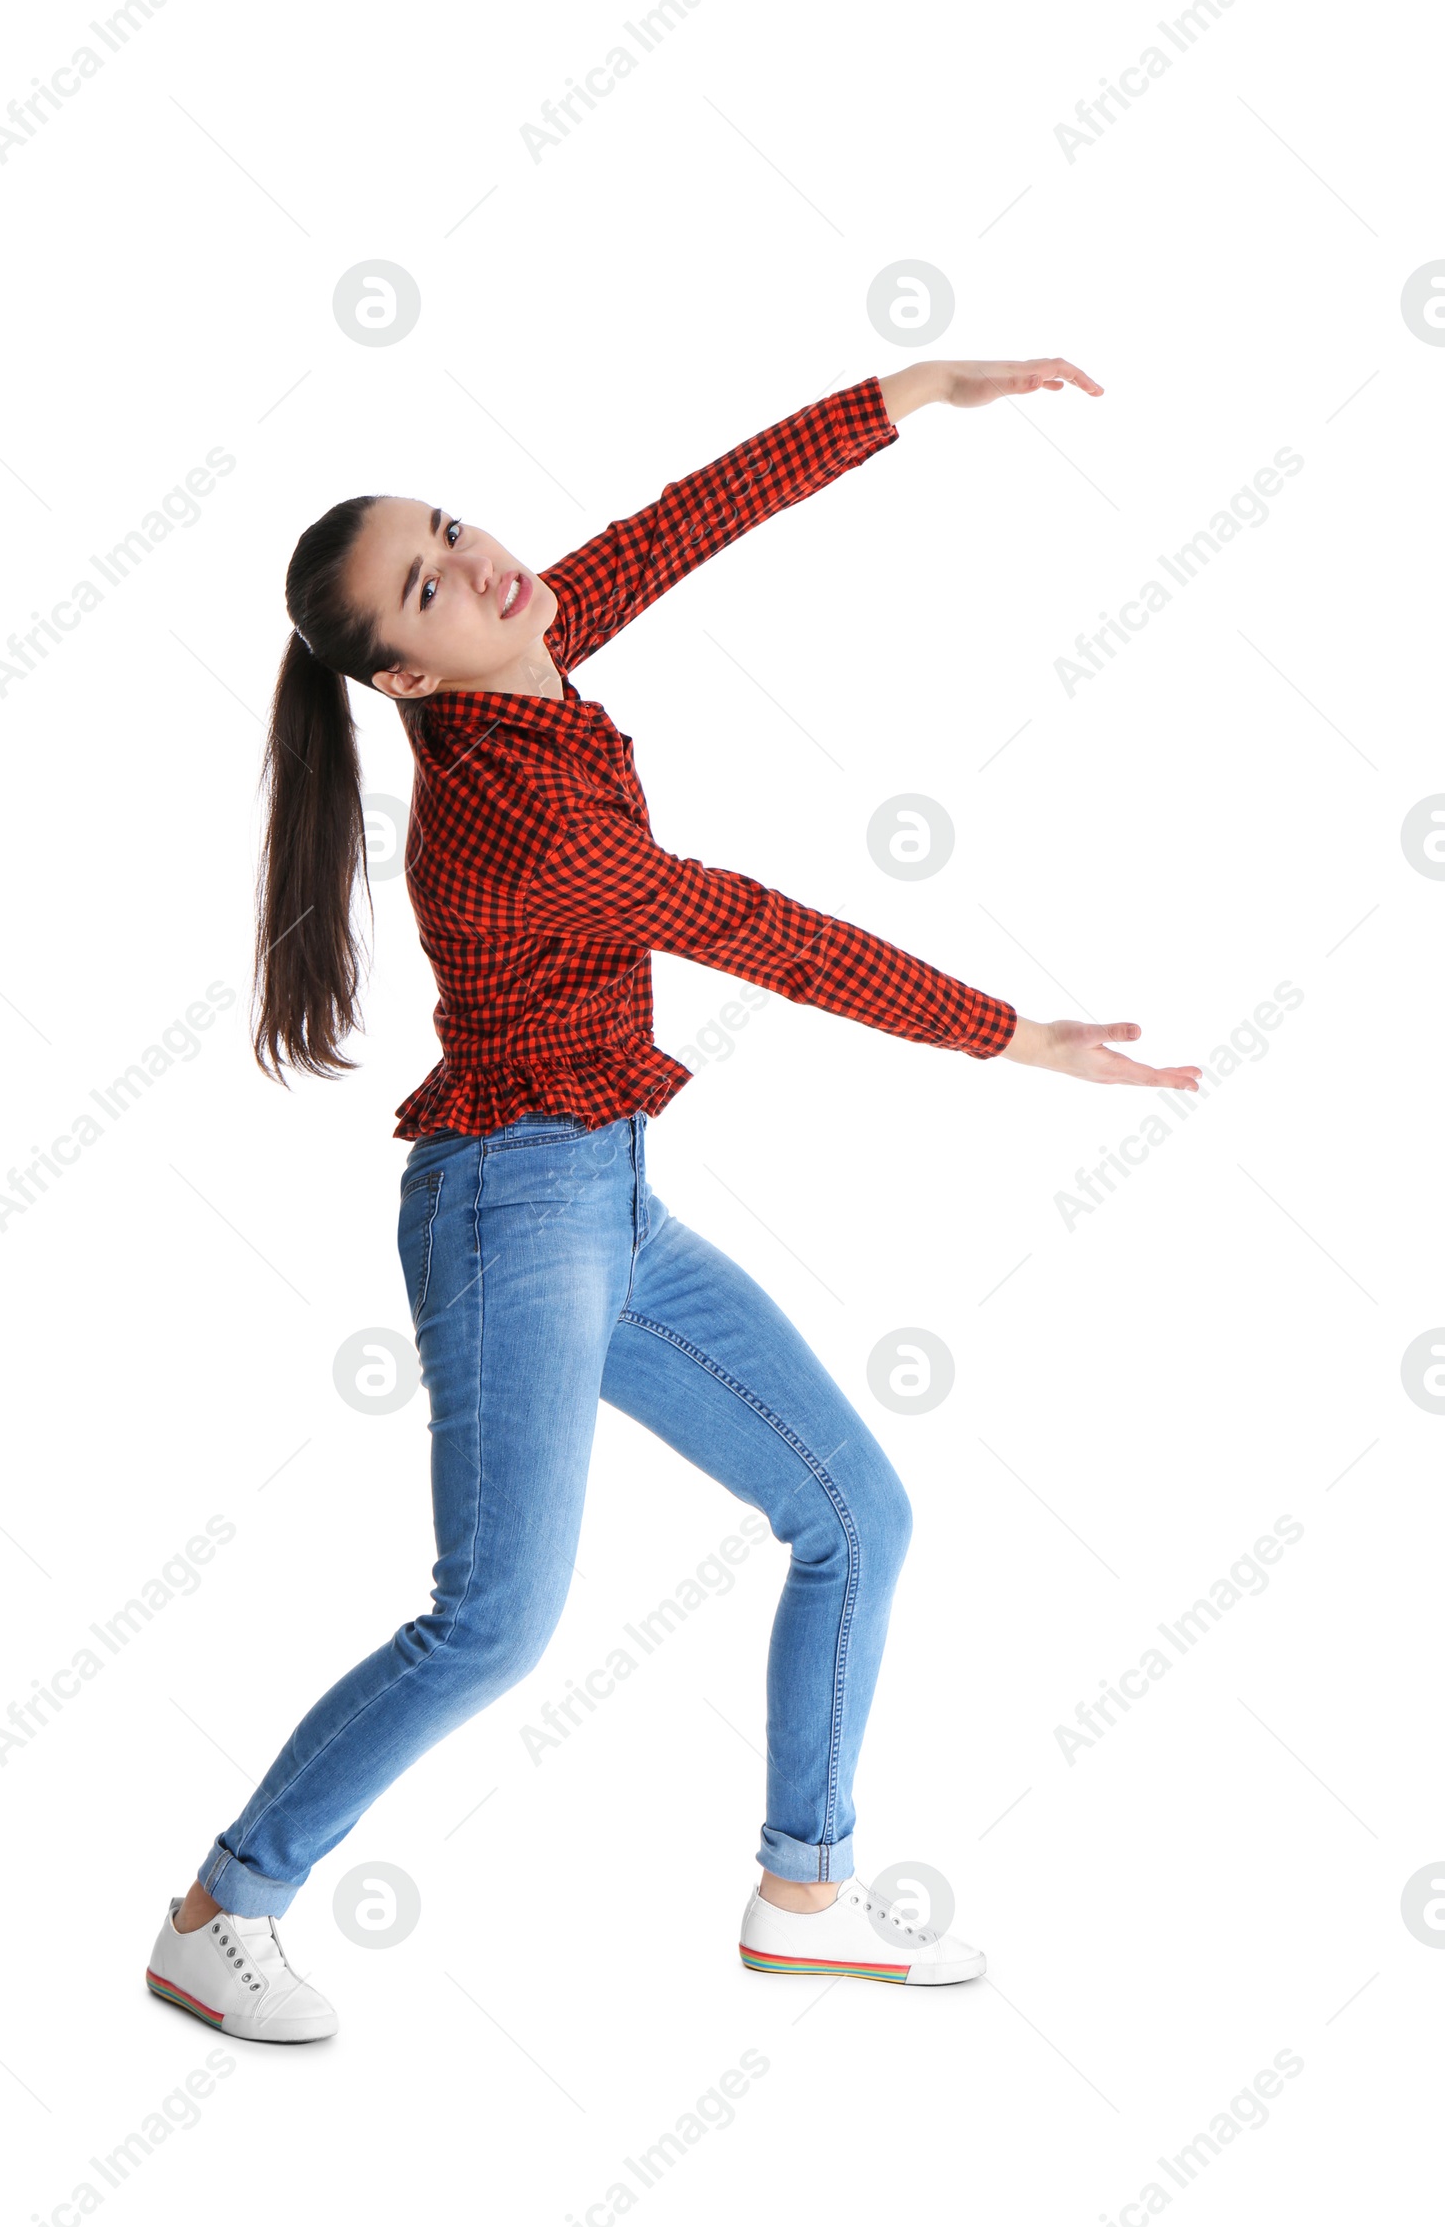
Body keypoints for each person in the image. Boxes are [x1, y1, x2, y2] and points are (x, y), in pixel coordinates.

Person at [145, 354, 1201, 2041]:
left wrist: (910, 391)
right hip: (515, 1217)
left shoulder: (521, 645)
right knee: (492, 1626)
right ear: (405, 669)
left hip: (609, 1199)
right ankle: (224, 1907)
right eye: (428, 580)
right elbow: (767, 931)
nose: (478, 557)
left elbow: (684, 520)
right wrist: (1019, 1038)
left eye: (450, 523)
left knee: (855, 1515)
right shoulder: (515, 814)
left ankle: (806, 1892)